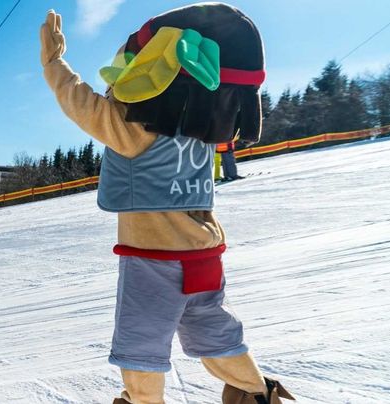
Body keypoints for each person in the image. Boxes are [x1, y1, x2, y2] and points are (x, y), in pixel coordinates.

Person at [40, 4, 293, 403]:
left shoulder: (137, 133)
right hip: (205, 253)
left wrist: (54, 63)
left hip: (155, 259)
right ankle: (258, 394)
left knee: (141, 342)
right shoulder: (202, 135)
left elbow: (81, 104)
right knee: (213, 332)